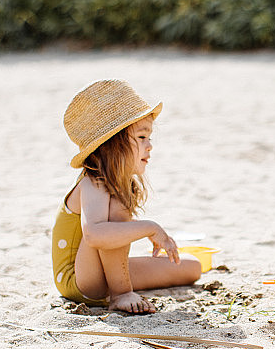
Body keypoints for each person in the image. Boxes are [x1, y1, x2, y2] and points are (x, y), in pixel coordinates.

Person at [52, 79, 201, 314]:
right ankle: (121, 293)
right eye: (142, 138)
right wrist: (150, 228)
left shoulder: (120, 183)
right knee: (117, 209)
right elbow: (94, 234)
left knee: (192, 268)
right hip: (80, 281)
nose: (150, 145)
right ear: (113, 145)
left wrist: (146, 230)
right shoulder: (95, 180)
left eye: (149, 137)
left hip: (101, 271)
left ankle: (120, 285)